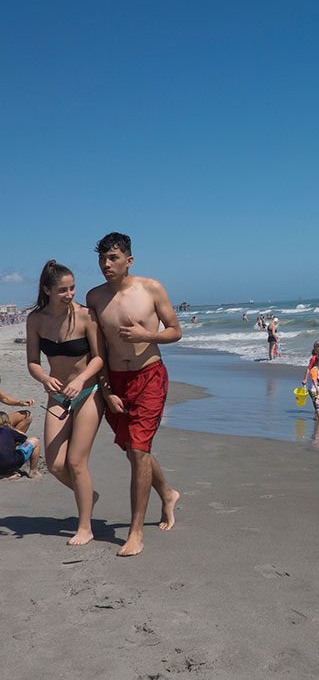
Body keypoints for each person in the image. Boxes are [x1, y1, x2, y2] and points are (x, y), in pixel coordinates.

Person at [87, 232, 181, 557]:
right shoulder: (95, 297)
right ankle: (168, 494)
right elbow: (96, 347)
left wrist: (147, 334)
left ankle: (135, 532)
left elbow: (175, 331)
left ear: (129, 260)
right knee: (133, 450)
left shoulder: (151, 288)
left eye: (112, 258)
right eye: (102, 258)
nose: (106, 264)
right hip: (116, 381)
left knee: (139, 451)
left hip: (150, 376)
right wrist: (106, 388)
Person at [26, 260, 105, 545]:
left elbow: (99, 358)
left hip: (87, 391)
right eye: (62, 290)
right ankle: (88, 496)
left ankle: (85, 526)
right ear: (47, 290)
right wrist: (44, 379)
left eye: (72, 288)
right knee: (56, 465)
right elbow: (33, 363)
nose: (70, 294)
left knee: (76, 461)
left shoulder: (85, 316)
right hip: (57, 394)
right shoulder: (35, 320)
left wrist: (80, 379)